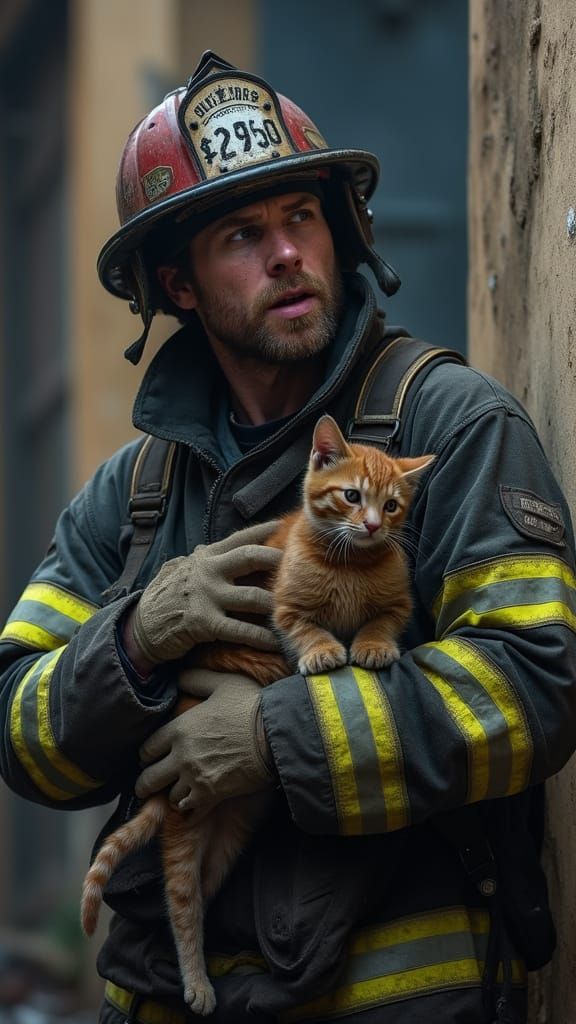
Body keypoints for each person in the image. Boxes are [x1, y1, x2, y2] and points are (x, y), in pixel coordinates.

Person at [0, 49, 575, 1024]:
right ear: (178, 285)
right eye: (242, 234)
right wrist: (139, 635)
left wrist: (275, 735)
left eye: (302, 219)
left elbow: (532, 686)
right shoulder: (131, 497)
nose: (287, 255)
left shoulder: (450, 426)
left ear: (339, 230)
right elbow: (21, 733)